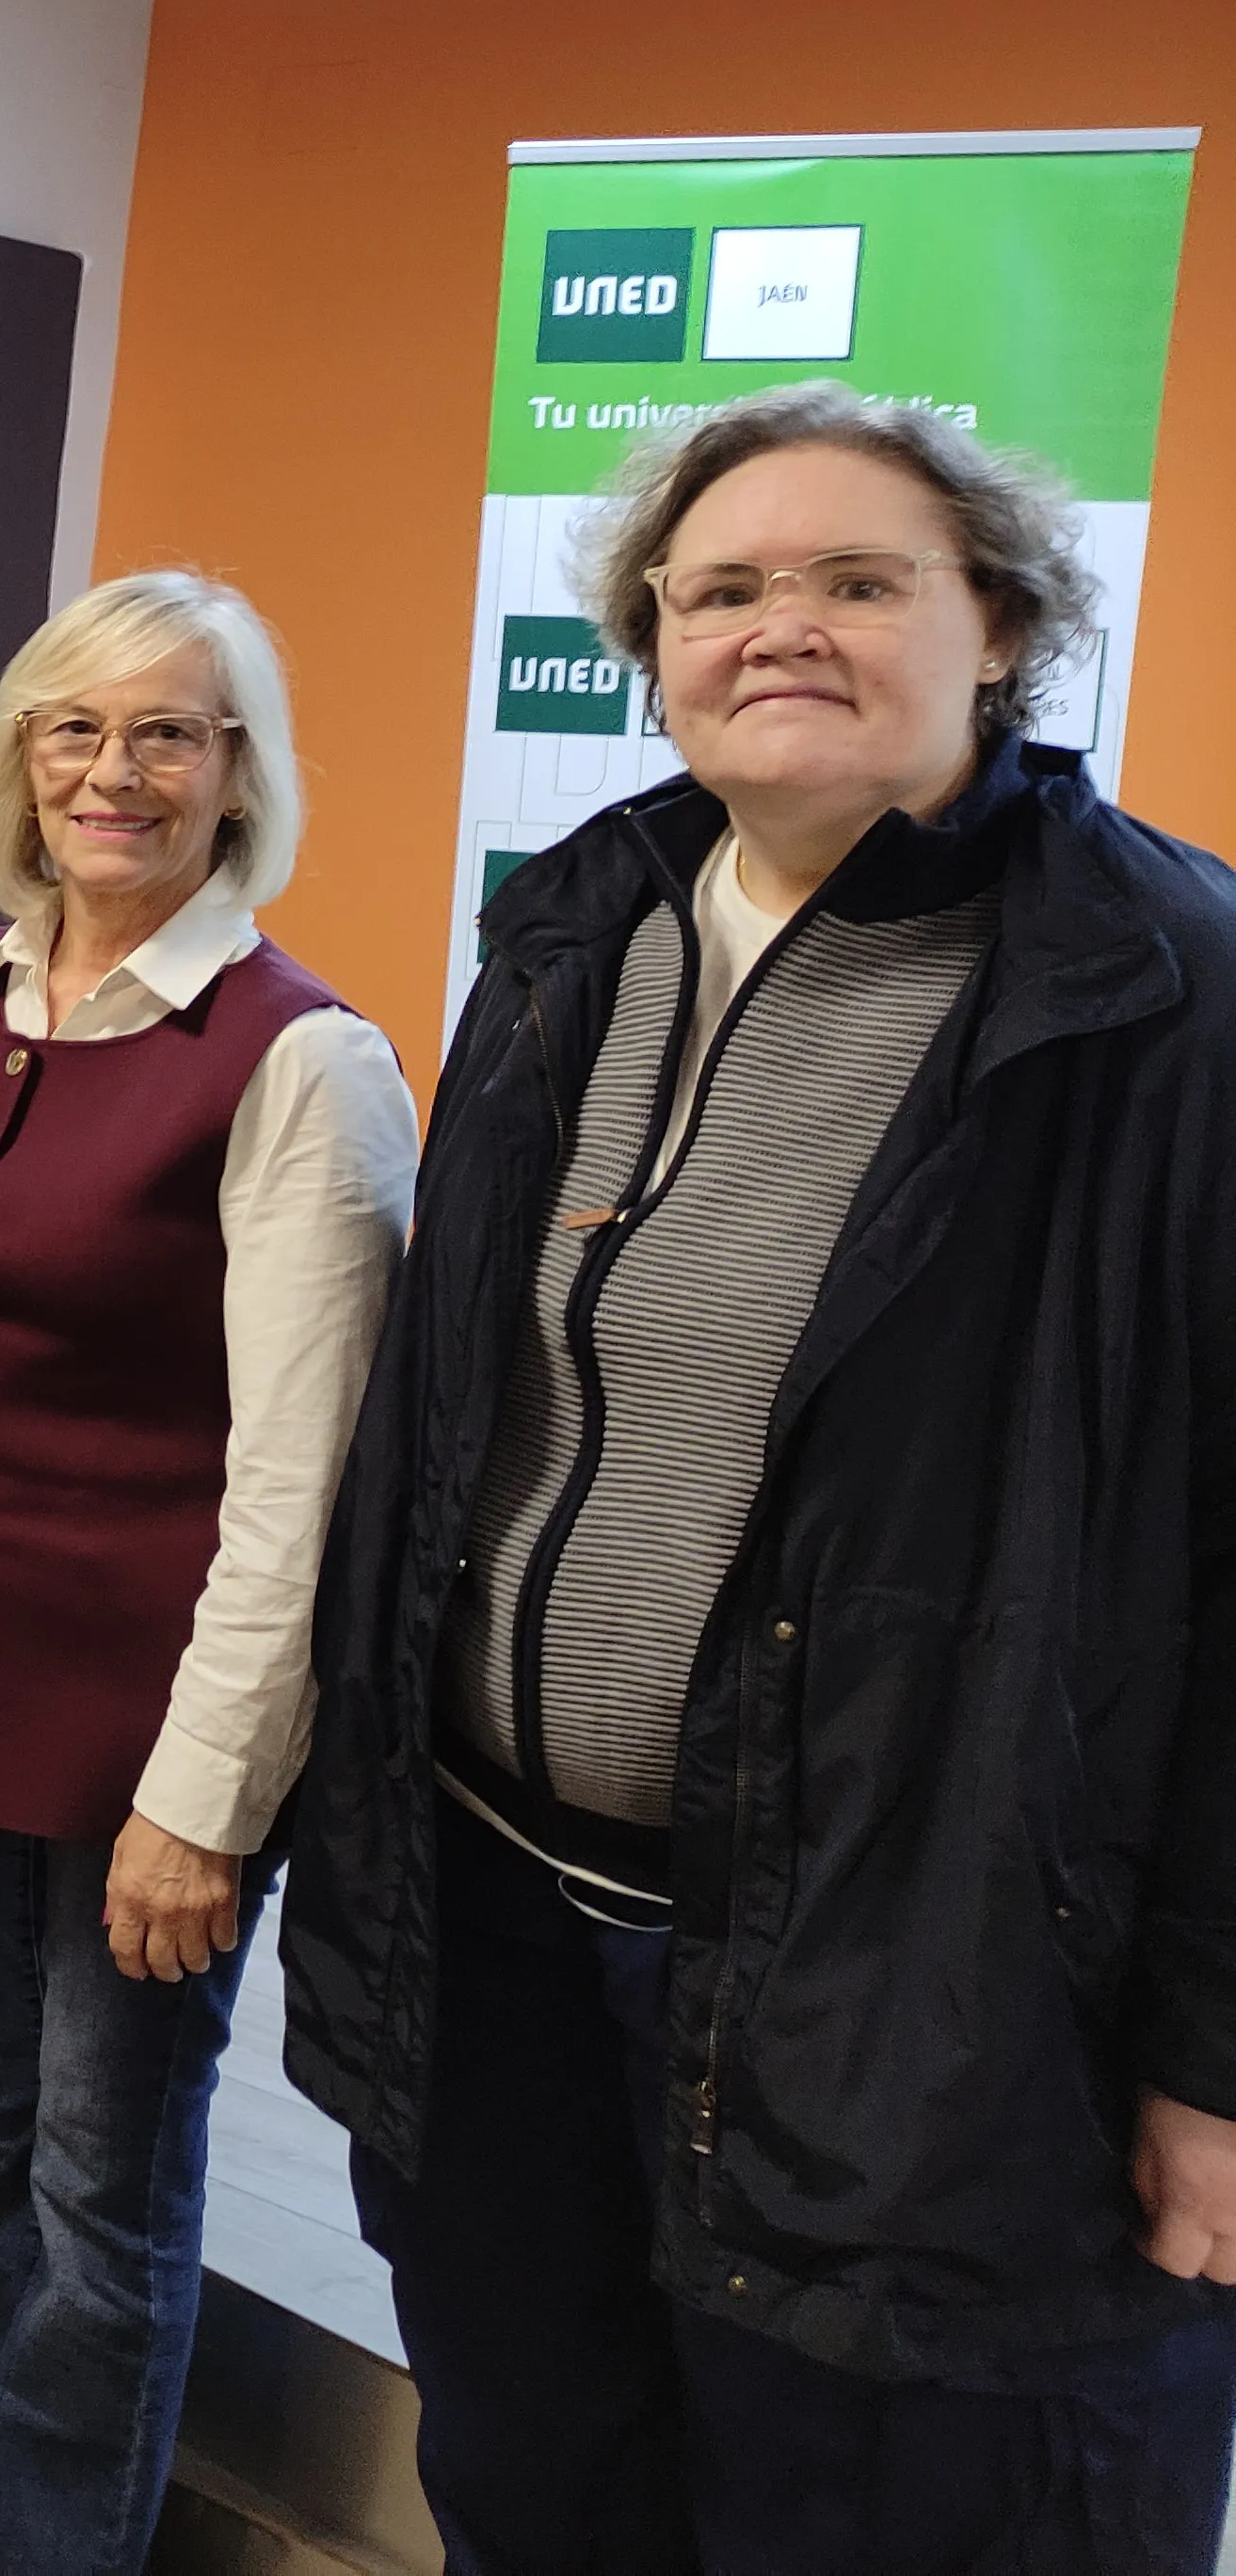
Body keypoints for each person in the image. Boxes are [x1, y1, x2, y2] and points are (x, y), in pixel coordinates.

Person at [284, 383, 1236, 2576]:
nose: (773, 624)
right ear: (651, 641)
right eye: (717, 587)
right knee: (538, 2488)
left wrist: (1210, 2043)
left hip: (924, 1998)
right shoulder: (569, 946)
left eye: (852, 578)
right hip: (502, 1943)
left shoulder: (1158, 994)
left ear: (995, 624)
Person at [0, 569, 412, 2574]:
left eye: (169, 730)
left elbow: (301, 1479)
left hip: (147, 1725)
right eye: (73, 726)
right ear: (17, 755)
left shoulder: (301, 1063)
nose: (113, 769)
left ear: (234, 772)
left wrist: (205, 1794)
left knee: (102, 2183)